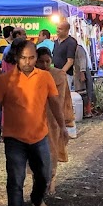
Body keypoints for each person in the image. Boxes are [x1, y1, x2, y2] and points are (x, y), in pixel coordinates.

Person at [0, 41, 65, 206]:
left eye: (32, 57)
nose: (28, 62)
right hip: (14, 138)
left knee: (44, 175)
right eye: (24, 58)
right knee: (15, 180)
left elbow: (54, 103)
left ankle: (36, 199)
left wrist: (63, 127)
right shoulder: (5, 80)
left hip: (39, 136)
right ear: (16, 58)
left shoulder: (45, 77)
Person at [35, 46, 74, 195]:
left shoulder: (60, 75)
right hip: (36, 119)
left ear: (51, 60)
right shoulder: (32, 75)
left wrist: (67, 120)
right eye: (41, 61)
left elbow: (66, 99)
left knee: (53, 150)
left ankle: (52, 180)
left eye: (47, 61)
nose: (44, 65)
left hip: (54, 119)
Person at [52, 22, 78, 88]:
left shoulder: (71, 42)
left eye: (60, 29)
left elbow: (70, 61)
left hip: (66, 75)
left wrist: (61, 73)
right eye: (57, 28)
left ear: (67, 31)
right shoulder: (56, 42)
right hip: (56, 73)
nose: (57, 30)